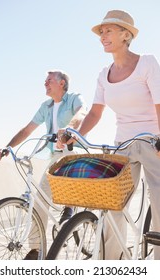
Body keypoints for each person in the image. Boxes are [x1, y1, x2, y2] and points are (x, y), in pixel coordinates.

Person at [63, 10, 160, 260]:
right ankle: (111, 262)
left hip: (153, 142)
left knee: (159, 202)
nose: (102, 36)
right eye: (101, 32)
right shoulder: (103, 74)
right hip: (122, 145)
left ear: (125, 34)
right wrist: (75, 133)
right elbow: (95, 113)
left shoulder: (147, 63)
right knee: (113, 204)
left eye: (108, 31)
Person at [0, 70, 87, 259]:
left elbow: (82, 113)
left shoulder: (73, 98)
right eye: (45, 81)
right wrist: (8, 146)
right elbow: (27, 129)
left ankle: (69, 208)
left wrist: (68, 129)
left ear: (62, 83)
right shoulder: (45, 106)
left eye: (49, 80)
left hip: (73, 151)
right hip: (54, 155)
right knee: (38, 201)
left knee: (68, 166)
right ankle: (36, 250)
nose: (45, 83)